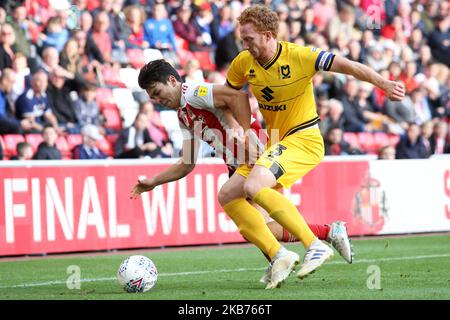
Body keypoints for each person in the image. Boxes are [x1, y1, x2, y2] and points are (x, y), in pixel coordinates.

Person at [219, 5, 405, 289]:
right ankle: (279, 256)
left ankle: (314, 245)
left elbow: (349, 66)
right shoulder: (244, 62)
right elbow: (228, 97)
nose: (244, 45)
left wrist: (383, 83)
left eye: (249, 39)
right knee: (228, 195)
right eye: (242, 39)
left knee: (254, 187)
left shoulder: (301, 56)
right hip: (277, 141)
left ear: (268, 35)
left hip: (304, 139)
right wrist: (240, 129)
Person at [130, 59, 353, 285]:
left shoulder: (193, 92)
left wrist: (243, 132)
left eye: (158, 92)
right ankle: (325, 234)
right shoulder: (183, 115)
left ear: (172, 80)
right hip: (240, 164)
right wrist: (154, 182)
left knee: (228, 196)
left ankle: (290, 252)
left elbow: (236, 96)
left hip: (256, 154)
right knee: (259, 229)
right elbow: (187, 162)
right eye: (153, 98)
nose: (158, 100)